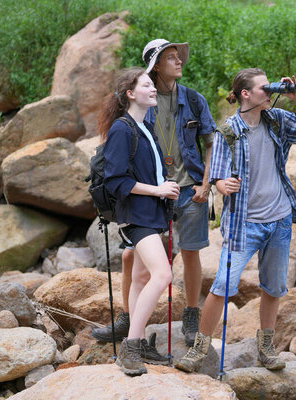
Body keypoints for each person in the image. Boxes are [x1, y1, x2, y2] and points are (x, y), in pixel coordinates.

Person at [175, 68, 296, 373]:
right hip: (244, 224)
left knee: (273, 288)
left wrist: (295, 96)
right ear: (245, 94)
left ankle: (266, 347)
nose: (269, 92)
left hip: (280, 220)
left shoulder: (278, 121)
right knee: (222, 285)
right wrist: (222, 186)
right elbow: (217, 178)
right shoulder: (228, 132)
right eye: (263, 88)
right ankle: (199, 349)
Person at [92, 39, 217, 348]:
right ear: (156, 65)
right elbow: (121, 155)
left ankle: (190, 313)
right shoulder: (141, 103)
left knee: (190, 252)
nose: (180, 62)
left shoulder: (194, 100)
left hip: (188, 190)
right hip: (150, 197)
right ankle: (128, 319)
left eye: (179, 57)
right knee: (132, 256)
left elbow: (212, 142)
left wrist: (206, 184)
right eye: (171, 58)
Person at [98, 67, 180, 376]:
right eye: (146, 85)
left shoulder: (145, 127)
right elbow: (115, 180)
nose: (153, 89)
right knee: (163, 275)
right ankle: (130, 348)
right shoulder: (123, 128)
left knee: (143, 278)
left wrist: (164, 190)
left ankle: (140, 341)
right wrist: (158, 189)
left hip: (152, 213)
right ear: (131, 94)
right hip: (137, 215)